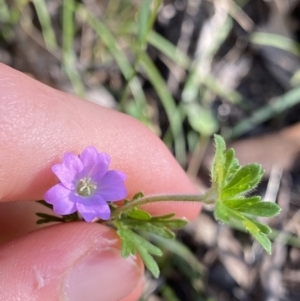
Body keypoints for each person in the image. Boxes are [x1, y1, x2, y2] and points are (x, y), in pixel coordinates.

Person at [0, 63, 201, 301]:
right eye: (84, 185)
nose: (85, 186)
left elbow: (103, 204)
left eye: (87, 186)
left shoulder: (102, 195)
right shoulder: (71, 192)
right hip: (69, 199)